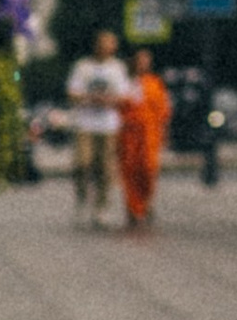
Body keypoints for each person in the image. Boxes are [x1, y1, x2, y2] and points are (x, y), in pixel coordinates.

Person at [66, 27, 128, 225]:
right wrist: (91, 97)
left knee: (106, 169)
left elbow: (124, 96)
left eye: (109, 44)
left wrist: (108, 100)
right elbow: (72, 93)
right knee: (82, 164)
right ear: (96, 46)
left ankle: (101, 208)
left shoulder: (117, 68)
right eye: (101, 44)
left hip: (108, 126)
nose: (105, 48)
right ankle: (82, 196)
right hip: (85, 124)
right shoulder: (83, 67)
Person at [115, 46, 171, 234]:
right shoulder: (125, 83)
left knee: (148, 168)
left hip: (150, 133)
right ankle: (134, 208)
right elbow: (118, 107)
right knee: (130, 170)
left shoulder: (155, 83)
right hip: (129, 134)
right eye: (139, 60)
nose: (143, 63)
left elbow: (163, 110)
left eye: (146, 60)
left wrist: (164, 130)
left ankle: (146, 202)